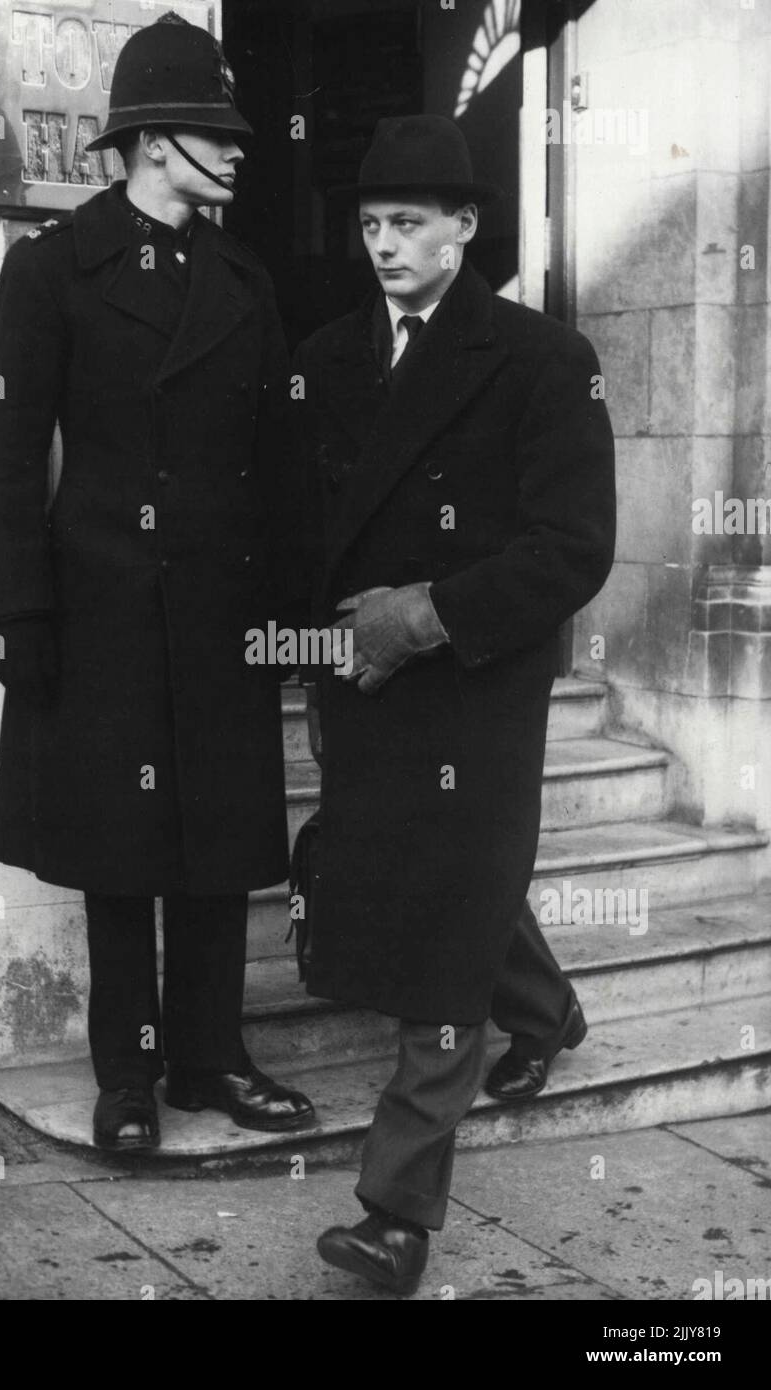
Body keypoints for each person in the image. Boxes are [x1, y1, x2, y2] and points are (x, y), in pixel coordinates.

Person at [0, 14, 314, 1152]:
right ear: (156, 141)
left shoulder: (246, 278)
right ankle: (129, 1074)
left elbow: (279, 460)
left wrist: (292, 616)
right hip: (101, 604)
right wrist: (16, 611)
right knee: (117, 848)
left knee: (215, 842)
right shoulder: (50, 269)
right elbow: (6, 450)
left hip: (220, 607)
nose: (241, 152)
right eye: (221, 133)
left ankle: (211, 1058)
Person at [293, 114, 616, 1295]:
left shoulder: (542, 356)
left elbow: (571, 549)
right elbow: (302, 520)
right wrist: (319, 634)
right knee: (451, 879)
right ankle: (545, 1011)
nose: (383, 244)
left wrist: (420, 615)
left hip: (474, 678)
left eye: (409, 223)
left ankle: (394, 1217)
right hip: (365, 685)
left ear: (465, 227)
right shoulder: (325, 356)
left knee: (442, 924)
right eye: (370, 224)